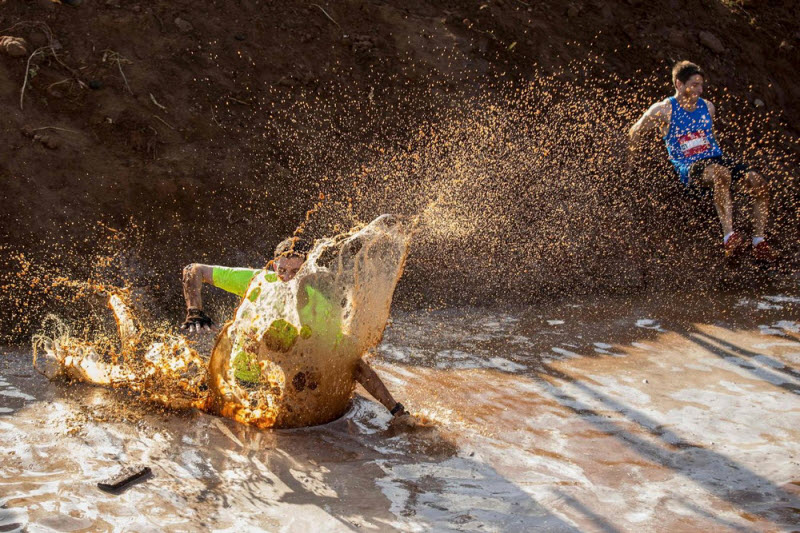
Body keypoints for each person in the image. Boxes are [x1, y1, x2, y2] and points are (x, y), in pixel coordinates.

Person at [180, 237, 408, 420]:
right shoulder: (260, 281)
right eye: (282, 271)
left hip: (281, 394)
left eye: (295, 273)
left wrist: (395, 409)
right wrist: (194, 311)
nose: (287, 279)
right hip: (238, 383)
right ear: (273, 265)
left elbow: (353, 364)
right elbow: (193, 269)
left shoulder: (320, 307)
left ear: (309, 271)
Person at [628, 60, 777, 262]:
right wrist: (633, 160)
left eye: (701, 84)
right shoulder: (663, 110)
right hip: (688, 165)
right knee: (720, 173)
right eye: (694, 84)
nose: (700, 89)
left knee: (759, 182)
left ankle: (759, 241)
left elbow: (710, 137)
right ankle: (729, 237)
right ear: (679, 85)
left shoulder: (708, 107)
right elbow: (635, 130)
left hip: (715, 157)